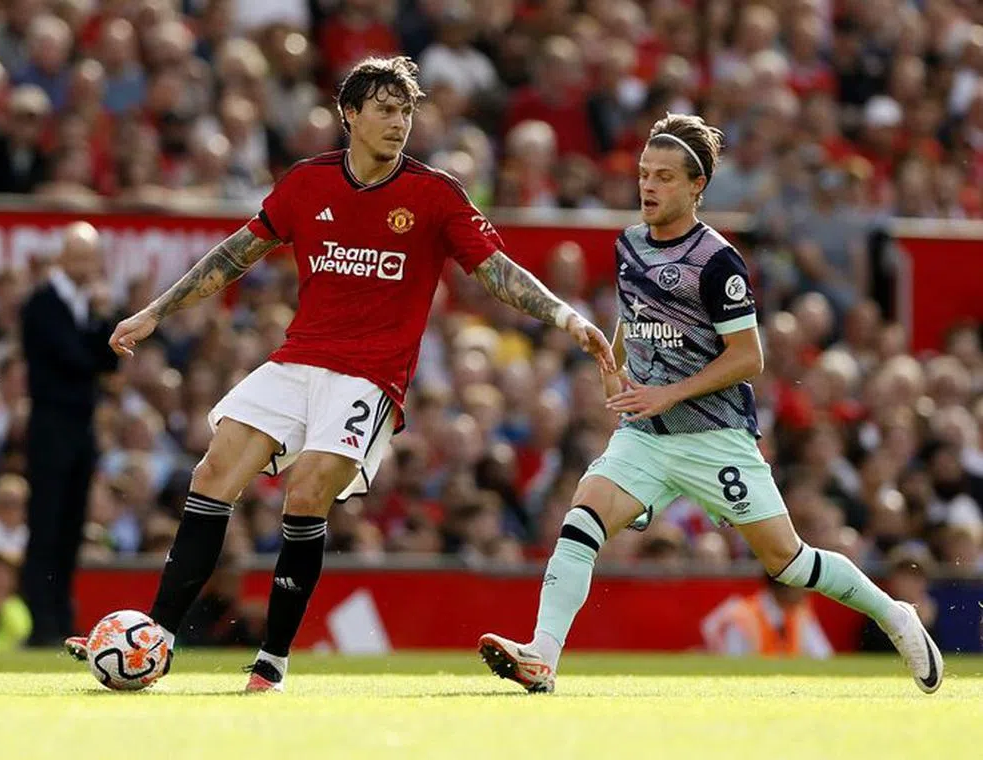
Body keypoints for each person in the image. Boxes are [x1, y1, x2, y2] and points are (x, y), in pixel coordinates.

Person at [64, 56, 615, 692]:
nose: (399, 122)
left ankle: (270, 661)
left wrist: (566, 317)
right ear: (348, 114)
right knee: (213, 472)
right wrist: (157, 311)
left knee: (305, 494)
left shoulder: (435, 194)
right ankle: (155, 638)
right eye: (384, 108)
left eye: (406, 110)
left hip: (369, 377)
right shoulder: (307, 183)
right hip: (297, 359)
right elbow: (235, 255)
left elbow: (497, 271)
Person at [476, 113, 943, 695]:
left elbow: (749, 357)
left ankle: (893, 614)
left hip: (714, 437)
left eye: (664, 177)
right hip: (646, 435)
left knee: (787, 561)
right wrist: (615, 363)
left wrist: (666, 392)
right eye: (644, 174)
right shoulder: (630, 244)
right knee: (581, 520)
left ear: (697, 186)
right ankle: (542, 656)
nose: (648, 186)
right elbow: (636, 310)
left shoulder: (718, 262)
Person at [20, 221, 119, 645]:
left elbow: (110, 362)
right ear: (63, 257)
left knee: (72, 525)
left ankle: (61, 616)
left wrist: (101, 322)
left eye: (90, 257)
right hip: (50, 427)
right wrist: (96, 333)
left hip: (81, 429)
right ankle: (40, 618)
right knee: (45, 524)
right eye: (78, 256)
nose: (85, 266)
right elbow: (76, 360)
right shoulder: (41, 305)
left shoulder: (87, 306)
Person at [701, 575, 834, 659]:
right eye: (801, 585)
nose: (807, 591)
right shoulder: (742, 617)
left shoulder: (800, 614)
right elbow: (733, 664)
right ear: (783, 586)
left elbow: (823, 657)